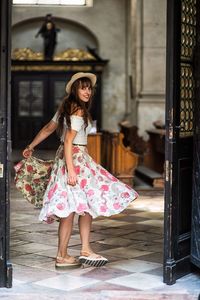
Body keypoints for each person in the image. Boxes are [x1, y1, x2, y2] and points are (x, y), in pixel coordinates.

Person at [22, 72, 138, 268]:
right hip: (75, 159)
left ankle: (70, 253)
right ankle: (77, 251)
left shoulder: (66, 108)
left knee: (77, 207)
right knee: (83, 205)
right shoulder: (78, 111)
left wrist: (31, 146)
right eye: (83, 87)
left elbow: (49, 128)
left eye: (89, 88)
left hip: (68, 158)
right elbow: (68, 140)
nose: (87, 91)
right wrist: (72, 169)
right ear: (75, 89)